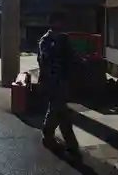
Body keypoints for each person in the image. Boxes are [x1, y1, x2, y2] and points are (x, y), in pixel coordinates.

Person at [37, 12, 80, 156]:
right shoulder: (46, 40)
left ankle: (61, 140)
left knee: (59, 110)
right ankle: (65, 142)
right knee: (59, 110)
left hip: (64, 80)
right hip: (52, 81)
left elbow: (73, 58)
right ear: (53, 22)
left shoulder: (64, 38)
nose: (62, 24)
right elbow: (44, 62)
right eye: (59, 21)